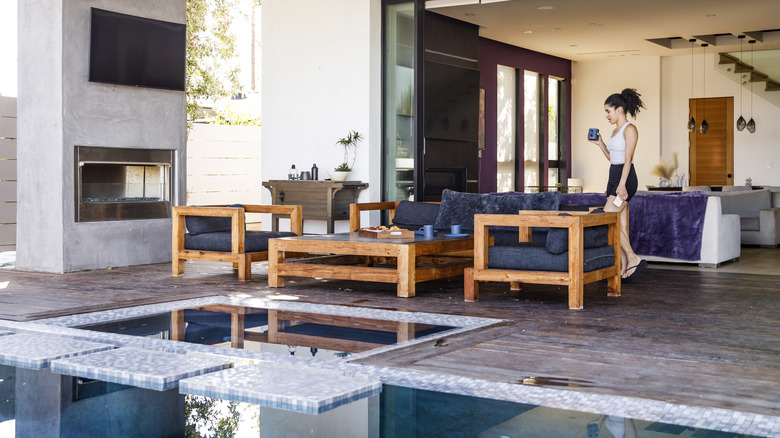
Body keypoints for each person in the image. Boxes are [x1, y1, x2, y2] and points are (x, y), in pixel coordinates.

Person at [589, 88, 647, 282]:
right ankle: (622, 268)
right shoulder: (615, 131)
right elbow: (613, 159)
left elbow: (627, 160)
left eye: (608, 111)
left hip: (626, 179)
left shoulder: (630, 129)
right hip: (613, 177)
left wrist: (621, 186)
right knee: (619, 223)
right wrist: (601, 144)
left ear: (619, 110)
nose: (606, 115)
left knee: (608, 218)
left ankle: (633, 258)